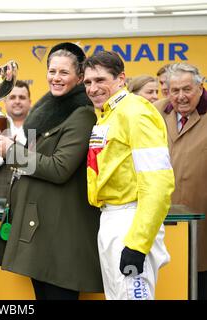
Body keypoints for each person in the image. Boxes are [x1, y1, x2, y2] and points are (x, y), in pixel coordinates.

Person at [0, 42, 103, 300]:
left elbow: (59, 168)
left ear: (79, 77)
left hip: (60, 237)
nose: (56, 78)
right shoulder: (46, 110)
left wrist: (11, 151)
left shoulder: (82, 114)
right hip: (40, 231)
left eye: (64, 72)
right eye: (52, 71)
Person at [82, 51, 175, 300]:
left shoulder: (136, 112)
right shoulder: (108, 113)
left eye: (100, 80)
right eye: (88, 82)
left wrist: (137, 243)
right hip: (111, 217)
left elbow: (158, 184)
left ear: (121, 78)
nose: (93, 88)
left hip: (131, 221)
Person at [160, 63, 207, 299]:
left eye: (187, 89)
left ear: (200, 88)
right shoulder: (155, 113)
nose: (181, 96)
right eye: (174, 90)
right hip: (163, 224)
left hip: (202, 222)